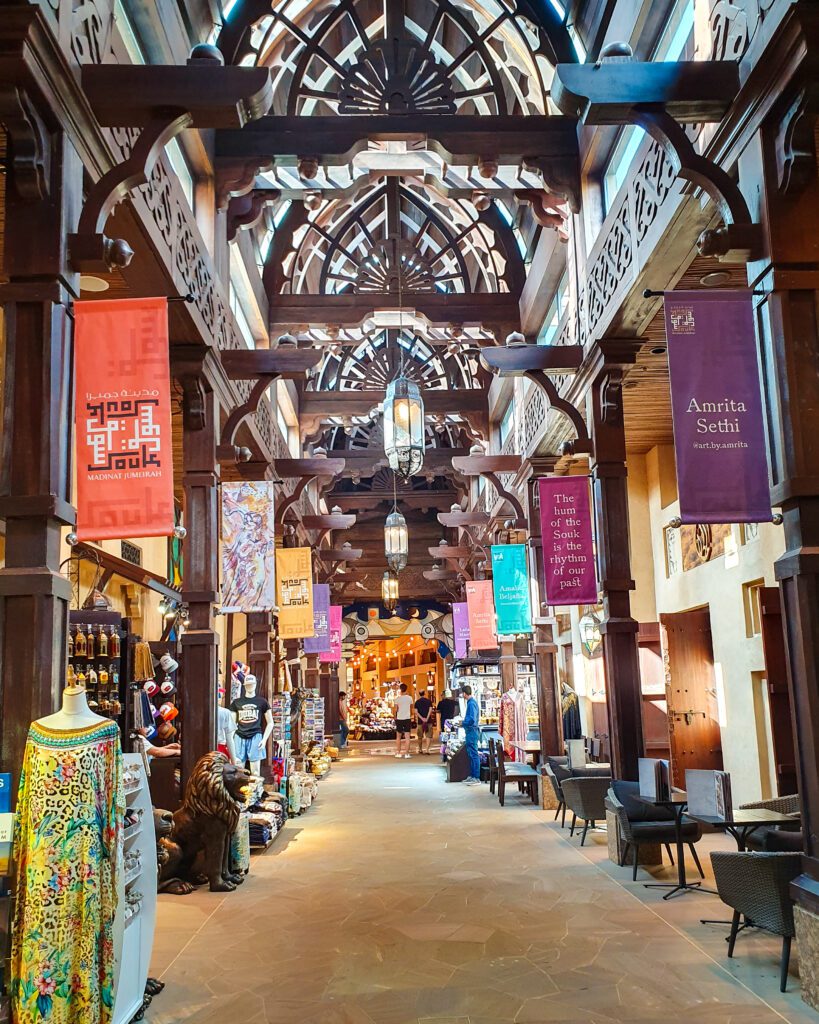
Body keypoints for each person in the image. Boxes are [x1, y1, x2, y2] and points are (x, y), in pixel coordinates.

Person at [461, 684, 481, 785]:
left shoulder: (471, 703)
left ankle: (476, 777)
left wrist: (463, 723)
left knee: (474, 754)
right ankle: (473, 775)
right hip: (471, 731)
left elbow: (472, 719)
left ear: (465, 693)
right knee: (471, 754)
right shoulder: (471, 703)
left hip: (472, 731)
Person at [394, 682, 413, 759]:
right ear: (406, 689)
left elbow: (395, 709)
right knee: (407, 736)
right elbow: (411, 708)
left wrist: (395, 716)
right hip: (407, 718)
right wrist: (411, 715)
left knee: (398, 736)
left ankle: (398, 752)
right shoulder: (410, 698)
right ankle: (407, 753)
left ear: (400, 690)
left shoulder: (397, 699)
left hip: (399, 718)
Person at [414, 688, 434, 755]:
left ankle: (420, 749)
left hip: (420, 722)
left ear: (419, 694)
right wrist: (427, 718)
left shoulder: (417, 702)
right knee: (428, 735)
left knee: (420, 736)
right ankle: (427, 749)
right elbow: (430, 710)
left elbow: (416, 712)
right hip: (429, 721)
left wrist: (422, 718)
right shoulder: (429, 701)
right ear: (425, 693)